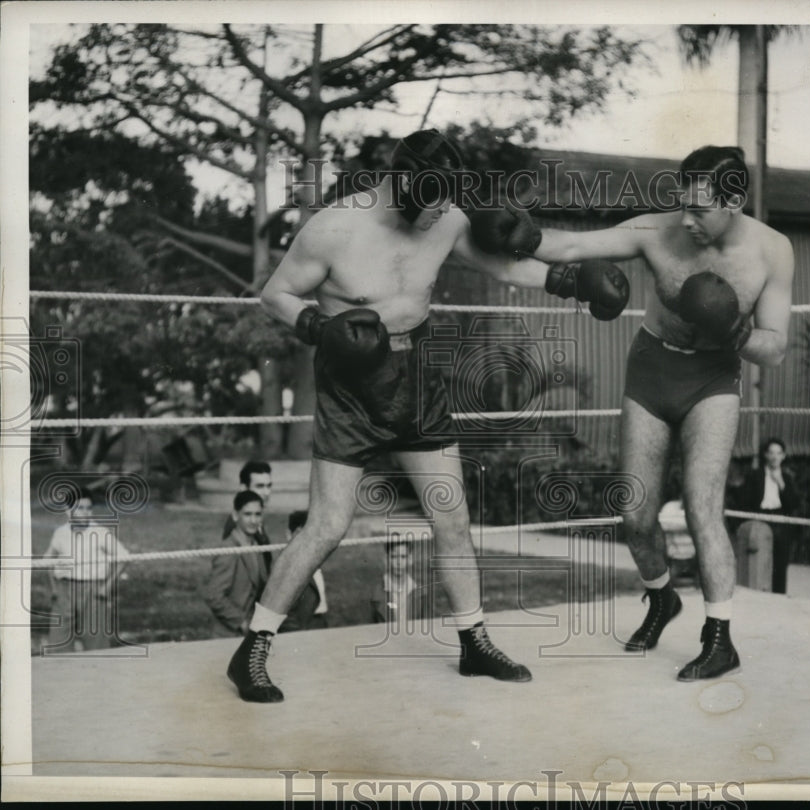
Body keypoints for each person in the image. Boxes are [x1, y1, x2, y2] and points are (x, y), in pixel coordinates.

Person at [226, 128, 631, 701]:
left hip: (417, 377)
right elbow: (275, 294)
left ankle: (473, 642)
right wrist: (319, 327)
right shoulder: (333, 229)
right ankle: (253, 649)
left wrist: (573, 285)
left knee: (452, 517)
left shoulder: (445, 214)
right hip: (351, 389)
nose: (438, 214)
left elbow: (506, 268)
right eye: (430, 202)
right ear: (401, 184)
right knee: (327, 524)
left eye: (446, 202)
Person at [529, 145, 795, 680]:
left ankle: (719, 638)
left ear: (735, 201)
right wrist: (512, 230)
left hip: (715, 376)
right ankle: (661, 598)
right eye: (683, 205)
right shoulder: (659, 230)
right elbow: (574, 242)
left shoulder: (773, 250)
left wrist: (736, 329)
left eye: (701, 209)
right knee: (636, 515)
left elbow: (776, 346)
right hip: (651, 369)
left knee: (702, 506)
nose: (688, 219)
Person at [221, 461, 327, 632]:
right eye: (260, 486)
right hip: (242, 622)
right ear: (243, 488)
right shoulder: (238, 527)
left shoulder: (257, 523)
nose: (266, 492)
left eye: (269, 486)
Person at [44, 487, 130, 652]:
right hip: (64, 590)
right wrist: (54, 588)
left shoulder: (100, 532)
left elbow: (124, 557)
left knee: (96, 644)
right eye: (80, 508)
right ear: (68, 511)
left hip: (93, 591)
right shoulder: (60, 533)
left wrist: (107, 587)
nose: (86, 512)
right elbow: (47, 561)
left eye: (88, 508)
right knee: (58, 644)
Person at [735, 437, 800, 594]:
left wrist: (781, 483)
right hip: (760, 517)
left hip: (779, 518)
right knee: (755, 558)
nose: (774, 457)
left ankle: (779, 595)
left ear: (783, 456)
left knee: (780, 560)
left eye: (778, 453)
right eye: (771, 452)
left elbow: (793, 505)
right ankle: (754, 593)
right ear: (765, 455)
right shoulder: (755, 475)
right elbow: (744, 501)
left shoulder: (787, 477)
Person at [203, 491, 268, 636]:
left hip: (250, 633)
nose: (253, 520)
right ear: (235, 515)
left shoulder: (258, 546)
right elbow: (213, 595)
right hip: (227, 634)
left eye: (257, 514)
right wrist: (242, 623)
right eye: (247, 514)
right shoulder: (229, 549)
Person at [370, 534, 433, 626]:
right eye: (394, 557)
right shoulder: (376, 594)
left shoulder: (421, 593)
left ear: (410, 559)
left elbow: (428, 626)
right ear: (386, 559)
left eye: (403, 557)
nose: (399, 562)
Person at [284, 510, 328, 630]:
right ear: (289, 534)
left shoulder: (314, 561)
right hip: (301, 633)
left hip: (319, 625)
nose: (306, 540)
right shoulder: (287, 567)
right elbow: (285, 616)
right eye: (299, 533)